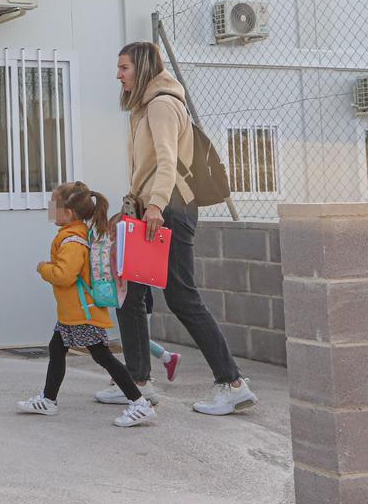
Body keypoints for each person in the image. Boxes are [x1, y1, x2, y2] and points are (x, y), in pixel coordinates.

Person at [96, 42, 257, 415]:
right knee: (129, 296)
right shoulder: (145, 106)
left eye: (124, 68)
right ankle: (137, 382)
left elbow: (167, 162)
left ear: (143, 68)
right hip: (153, 209)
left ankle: (232, 383)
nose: (118, 75)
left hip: (169, 210)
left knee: (182, 297)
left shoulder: (162, 105)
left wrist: (153, 205)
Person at [18, 181, 156, 428]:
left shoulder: (72, 242)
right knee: (57, 348)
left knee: (103, 357)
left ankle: (139, 403)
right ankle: (48, 399)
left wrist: (43, 268)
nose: (50, 209)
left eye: (54, 205)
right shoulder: (73, 235)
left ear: (68, 213)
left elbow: (64, 275)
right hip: (73, 312)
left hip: (82, 312)